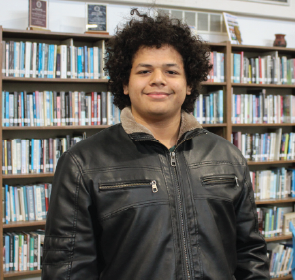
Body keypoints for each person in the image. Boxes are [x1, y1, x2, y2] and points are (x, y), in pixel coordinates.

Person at [42, 9, 269, 280]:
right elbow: (67, 268)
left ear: (188, 85)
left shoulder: (227, 157)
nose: (158, 79)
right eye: (144, 70)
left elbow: (250, 252)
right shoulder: (83, 163)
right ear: (125, 84)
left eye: (171, 71)